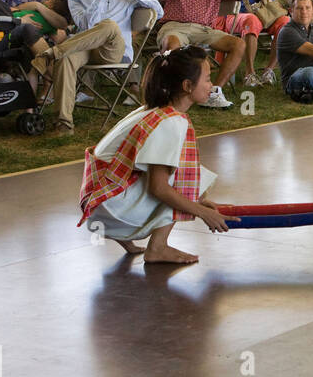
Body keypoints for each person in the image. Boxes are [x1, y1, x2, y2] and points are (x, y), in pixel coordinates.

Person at [78, 46, 237, 265]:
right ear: (187, 86)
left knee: (184, 176)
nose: (211, 86)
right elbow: (159, 188)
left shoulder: (153, 109)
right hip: (110, 206)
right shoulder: (171, 122)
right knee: (186, 175)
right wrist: (201, 211)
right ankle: (158, 247)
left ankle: (125, 238)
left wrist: (200, 201)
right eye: (208, 79)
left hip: (98, 200)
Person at [35, 0, 165, 132]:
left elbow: (159, 13)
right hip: (87, 49)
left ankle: (52, 53)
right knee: (66, 59)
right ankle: (63, 122)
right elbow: (86, 27)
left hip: (114, 52)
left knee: (110, 26)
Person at [156, 0, 245, 109]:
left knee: (238, 44)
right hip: (175, 26)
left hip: (205, 29)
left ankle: (214, 92)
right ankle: (178, 92)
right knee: (171, 45)